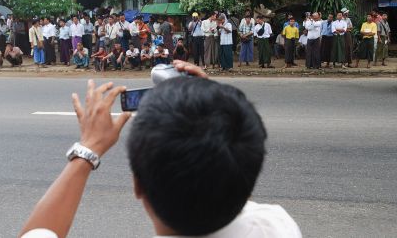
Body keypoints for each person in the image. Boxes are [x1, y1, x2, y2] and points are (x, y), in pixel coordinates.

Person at [19, 61, 302, 238]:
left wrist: (88, 148)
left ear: (138, 186)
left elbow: (36, 233)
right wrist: (208, 104)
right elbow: (234, 183)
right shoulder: (276, 226)